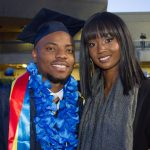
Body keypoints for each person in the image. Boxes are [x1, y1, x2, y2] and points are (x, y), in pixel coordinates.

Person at [0, 8, 84, 150]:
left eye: (69, 50)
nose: (62, 55)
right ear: (34, 54)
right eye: (51, 48)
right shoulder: (8, 102)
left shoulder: (81, 104)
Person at [78, 11, 150, 150]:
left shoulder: (145, 91)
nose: (101, 49)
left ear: (123, 40)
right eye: (92, 44)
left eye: (108, 40)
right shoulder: (90, 94)